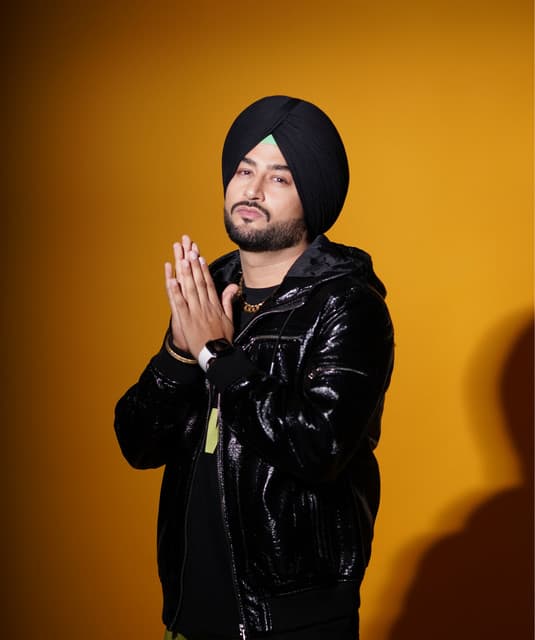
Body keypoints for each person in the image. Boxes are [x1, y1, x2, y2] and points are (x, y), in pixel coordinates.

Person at [114, 95, 394, 640]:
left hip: (293, 623)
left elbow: (319, 448)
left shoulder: (348, 306)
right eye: (245, 170)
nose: (253, 190)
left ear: (313, 195)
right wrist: (179, 353)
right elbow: (138, 444)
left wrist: (216, 356)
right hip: (189, 616)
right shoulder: (211, 293)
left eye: (280, 178)